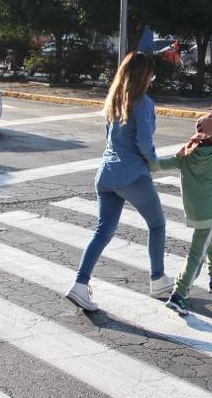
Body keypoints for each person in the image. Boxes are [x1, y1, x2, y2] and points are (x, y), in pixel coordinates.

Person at [65, 51, 173, 312]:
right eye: (151, 74)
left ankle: (80, 284)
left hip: (106, 175)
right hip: (133, 174)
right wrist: (155, 163)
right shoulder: (143, 102)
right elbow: (145, 142)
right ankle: (157, 279)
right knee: (157, 225)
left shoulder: (113, 100)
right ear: (144, 76)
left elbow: (108, 138)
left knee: (102, 232)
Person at [154, 106, 212, 316]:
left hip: (195, 214)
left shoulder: (187, 154)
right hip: (210, 215)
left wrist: (144, 162)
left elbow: (161, 165)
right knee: (196, 255)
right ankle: (179, 294)